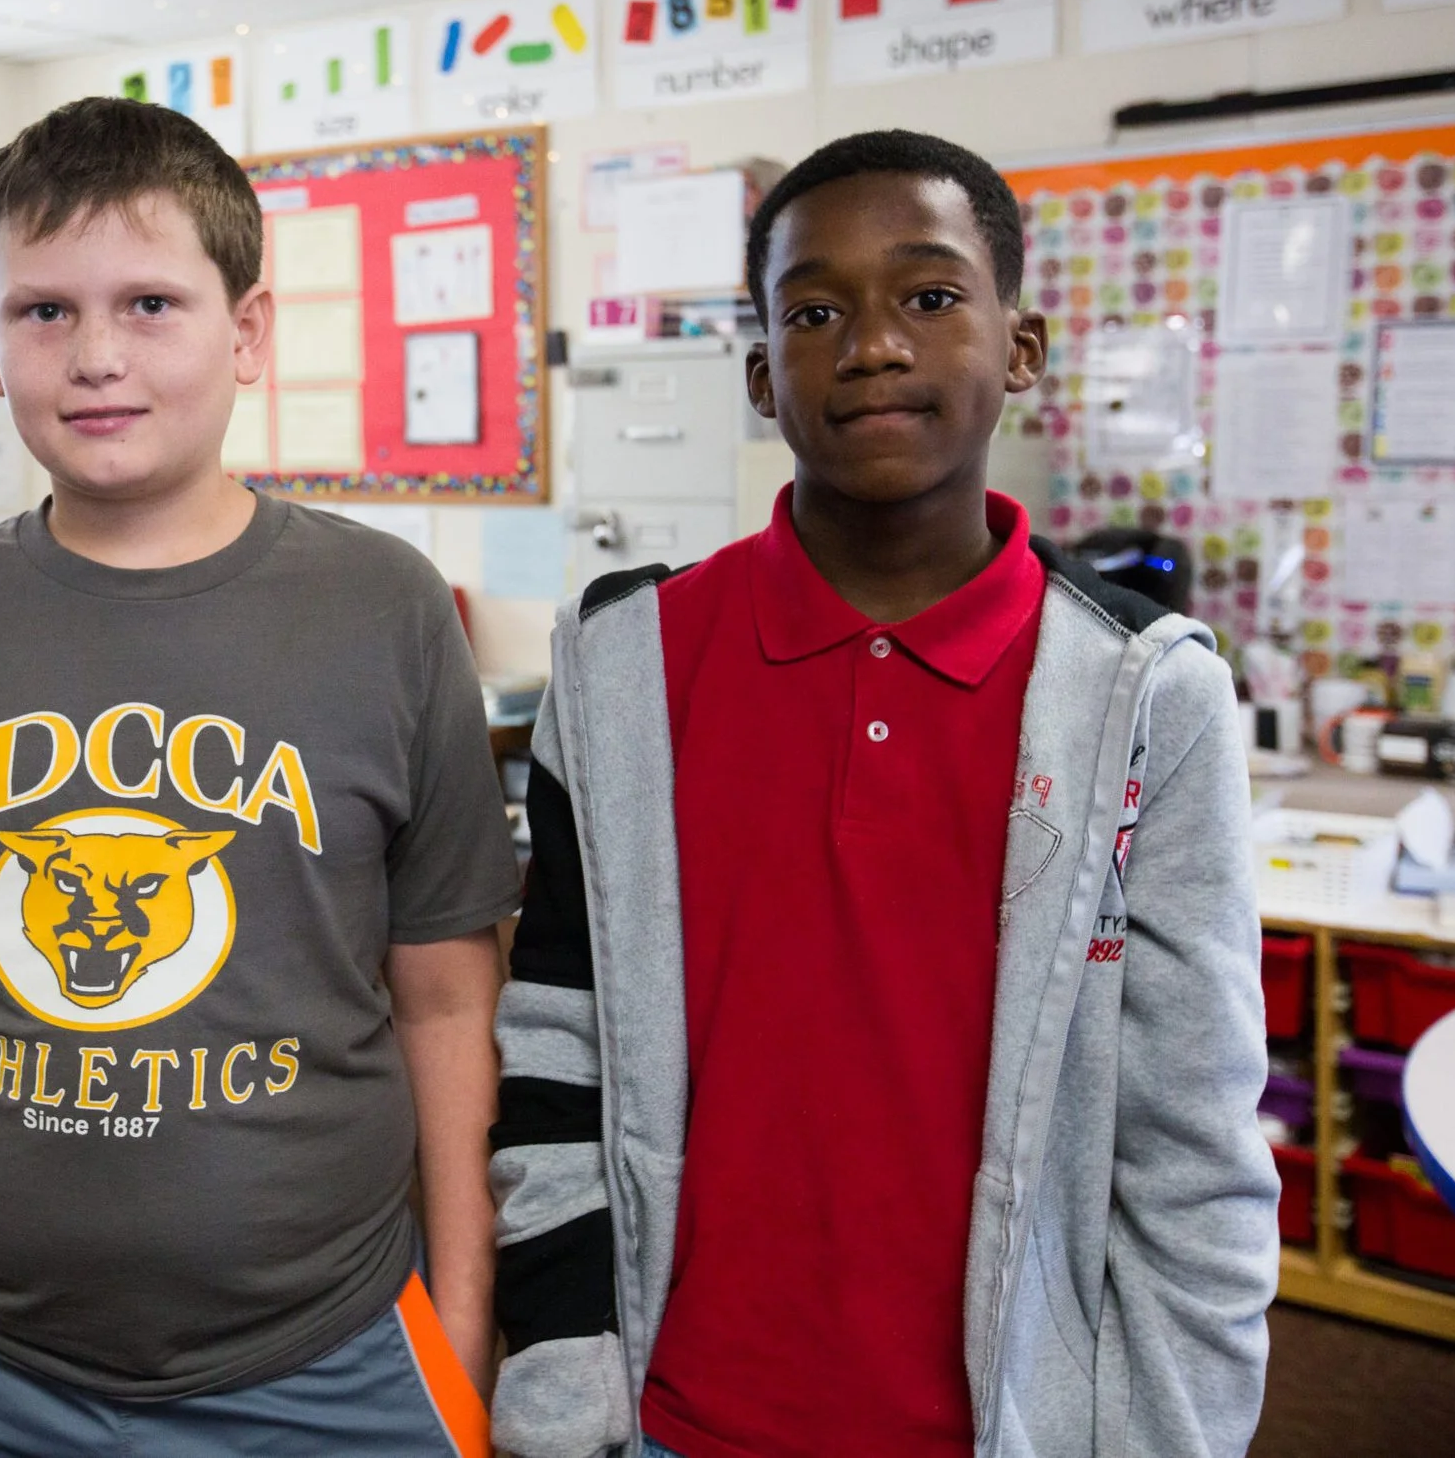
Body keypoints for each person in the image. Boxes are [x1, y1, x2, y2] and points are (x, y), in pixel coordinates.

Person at [487, 130, 1277, 1458]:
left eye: (929, 294)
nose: (871, 345)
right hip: (672, 1418)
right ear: (761, 375)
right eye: (813, 312)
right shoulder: (625, 667)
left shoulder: (1147, 696)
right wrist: (568, 1400)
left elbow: (1191, 1144)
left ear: (1018, 347)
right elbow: (560, 1048)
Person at [0, 96, 517, 1458]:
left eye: (151, 303)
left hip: (327, 1356)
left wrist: (462, 1317)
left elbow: (450, 994)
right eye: (44, 310)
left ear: (249, 330)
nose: (97, 355)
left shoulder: (385, 608)